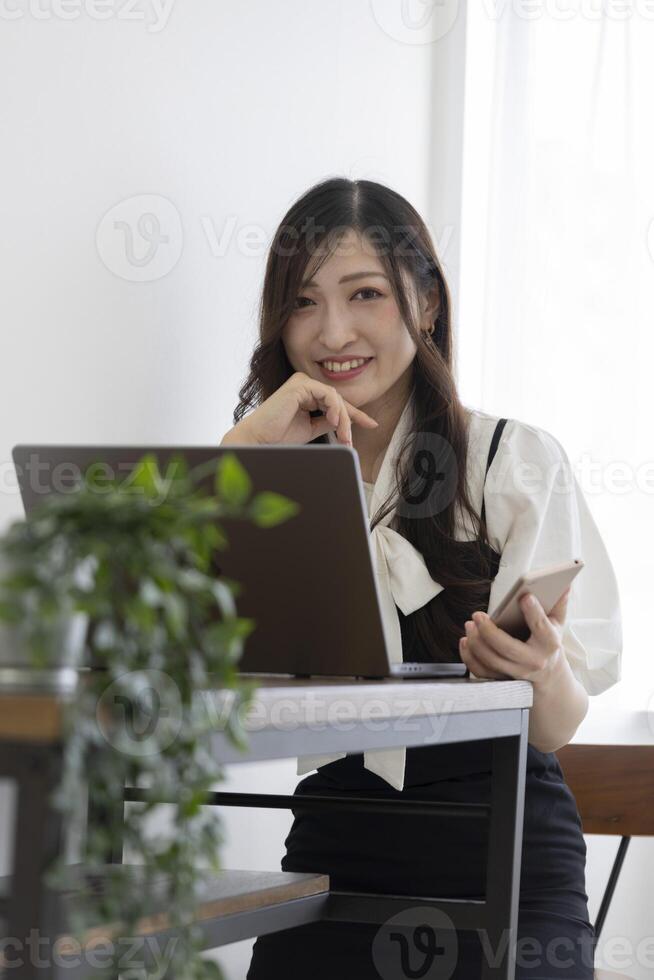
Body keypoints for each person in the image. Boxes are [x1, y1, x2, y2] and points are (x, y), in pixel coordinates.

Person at [220, 178, 622, 979]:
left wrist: (540, 675)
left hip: (500, 843)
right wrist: (243, 448)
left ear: (426, 301)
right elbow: (159, 621)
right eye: (303, 303)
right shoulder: (268, 477)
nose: (333, 332)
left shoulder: (512, 459)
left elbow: (555, 728)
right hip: (337, 840)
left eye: (364, 293)